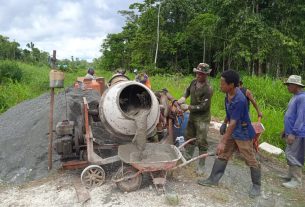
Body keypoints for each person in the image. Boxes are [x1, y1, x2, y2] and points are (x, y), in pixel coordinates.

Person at [198, 70, 261, 198]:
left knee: (250, 159)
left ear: (231, 85)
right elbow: (230, 114)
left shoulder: (240, 99)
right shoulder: (228, 95)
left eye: (222, 83)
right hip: (233, 130)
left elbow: (233, 123)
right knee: (223, 154)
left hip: (242, 132)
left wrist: (222, 141)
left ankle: (256, 186)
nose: (220, 86)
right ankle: (213, 180)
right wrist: (223, 123)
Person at [177, 63, 213, 175]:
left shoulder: (208, 89)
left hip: (202, 118)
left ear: (206, 75)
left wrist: (188, 107)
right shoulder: (194, 82)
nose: (198, 75)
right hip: (193, 116)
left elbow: (203, 106)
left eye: (201, 74)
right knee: (189, 136)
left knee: (202, 141)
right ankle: (188, 156)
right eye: (197, 73)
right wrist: (184, 97)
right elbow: (188, 90)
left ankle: (201, 166)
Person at [281, 75, 305, 189]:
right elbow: (290, 115)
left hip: (297, 133)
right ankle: (290, 175)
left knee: (293, 155)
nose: (288, 87)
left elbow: (301, 117)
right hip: (290, 131)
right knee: (289, 153)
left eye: (289, 85)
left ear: (296, 86)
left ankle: (296, 180)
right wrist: (285, 130)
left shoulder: (302, 98)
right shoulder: (295, 97)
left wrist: (293, 133)